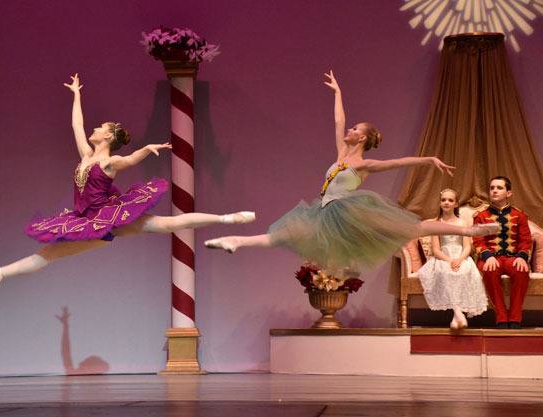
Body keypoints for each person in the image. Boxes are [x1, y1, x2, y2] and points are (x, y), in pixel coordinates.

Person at [0, 74, 254, 288]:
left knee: (169, 224)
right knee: (47, 254)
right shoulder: (86, 155)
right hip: (86, 219)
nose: (93, 128)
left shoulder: (108, 163)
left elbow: (128, 161)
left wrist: (146, 149)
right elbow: (76, 125)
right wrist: (76, 95)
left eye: (99, 127)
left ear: (106, 137)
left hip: (109, 217)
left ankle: (228, 218)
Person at [205, 71, 500, 273]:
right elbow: (338, 121)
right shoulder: (341, 155)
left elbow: (398, 162)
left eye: (355, 129)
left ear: (361, 138)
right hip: (323, 212)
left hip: (348, 211)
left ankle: (467, 230)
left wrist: (428, 159)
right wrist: (338, 92)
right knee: (284, 234)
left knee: (411, 228)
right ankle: (237, 241)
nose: (349, 129)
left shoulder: (363, 164)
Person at [417, 189, 488, 329]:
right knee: (445, 272)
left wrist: (460, 259)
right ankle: (458, 313)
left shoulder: (462, 223)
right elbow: (436, 250)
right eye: (443, 200)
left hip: (461, 256)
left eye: (450, 200)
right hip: (443, 258)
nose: (446, 203)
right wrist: (449, 261)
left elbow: (467, 247)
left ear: (456, 204)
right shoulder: (436, 224)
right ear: (440, 203)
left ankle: (457, 316)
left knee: (464, 272)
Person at [473, 176, 532, 329]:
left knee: (521, 271)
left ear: (509, 193)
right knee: (490, 270)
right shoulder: (481, 216)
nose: (494, 191)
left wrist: (522, 256)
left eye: (499, 188)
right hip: (491, 257)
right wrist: (487, 256)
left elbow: (525, 240)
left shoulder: (520, 215)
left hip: (513, 258)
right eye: (492, 188)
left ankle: (515, 318)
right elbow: (478, 241)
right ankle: (501, 317)